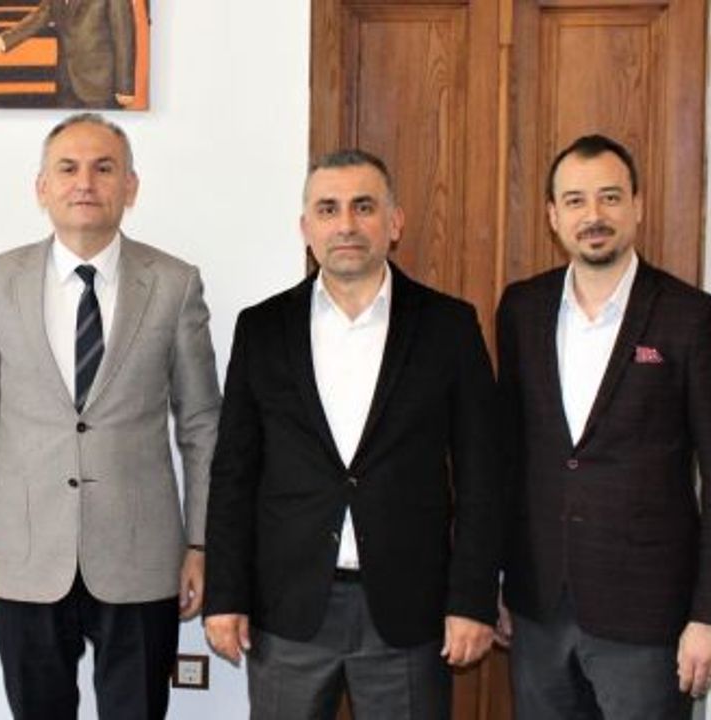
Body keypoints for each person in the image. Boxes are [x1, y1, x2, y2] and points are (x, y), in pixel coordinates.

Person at [203, 149, 502, 719]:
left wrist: (473, 600)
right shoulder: (262, 329)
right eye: (328, 209)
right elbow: (234, 473)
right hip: (288, 609)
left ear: (395, 222)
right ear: (306, 228)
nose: (345, 224)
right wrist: (225, 595)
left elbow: (482, 475)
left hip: (409, 612)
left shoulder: (448, 326)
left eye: (363, 207)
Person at [0, 113, 220, 719]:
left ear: (130, 186)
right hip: (24, 551)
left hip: (142, 555)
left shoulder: (175, 284)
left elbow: (202, 424)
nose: (85, 183)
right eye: (67, 168)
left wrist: (200, 541)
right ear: (42, 187)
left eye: (104, 168)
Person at [497, 134, 711, 719]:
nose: (593, 215)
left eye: (610, 197)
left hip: (647, 619)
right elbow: (505, 458)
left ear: (637, 205)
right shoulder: (521, 309)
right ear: (552, 216)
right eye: (575, 200)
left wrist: (706, 615)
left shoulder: (690, 317)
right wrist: (494, 578)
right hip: (537, 608)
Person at [0, 0, 135, 108]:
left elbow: (124, 37)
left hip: (100, 85)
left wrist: (125, 87)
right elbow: (38, 17)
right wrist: (2, 41)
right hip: (66, 81)